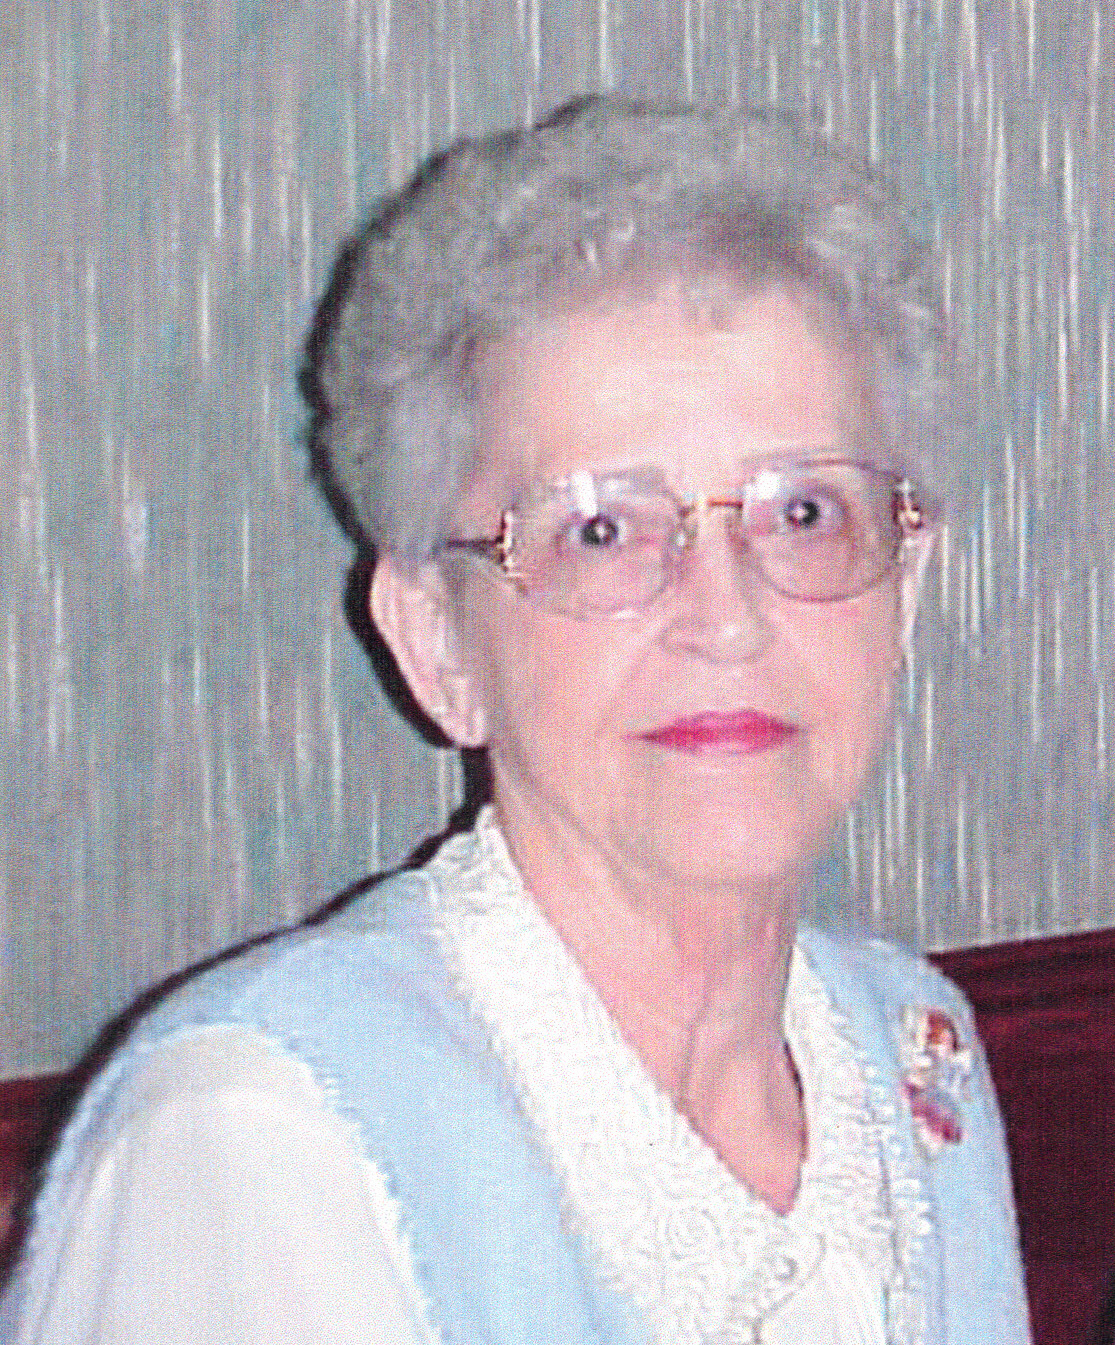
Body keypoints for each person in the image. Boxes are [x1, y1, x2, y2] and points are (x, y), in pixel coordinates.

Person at [0, 96, 1029, 1344]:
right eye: (599, 529)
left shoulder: (911, 1066)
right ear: (438, 642)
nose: (726, 617)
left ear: (902, 589)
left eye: (803, 512)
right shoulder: (255, 1141)